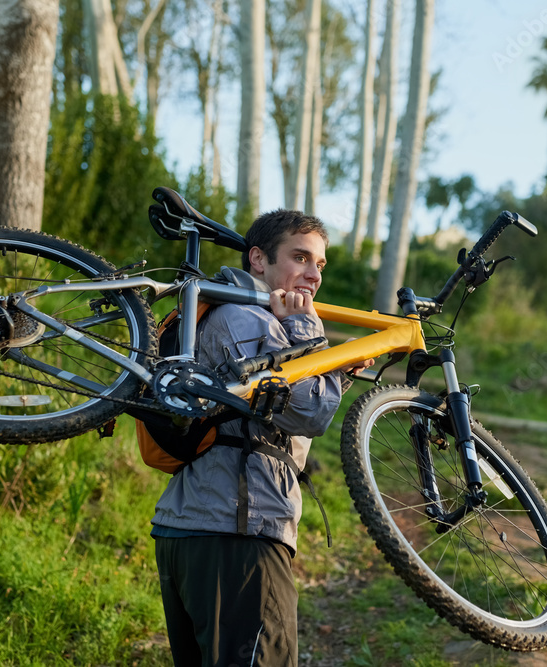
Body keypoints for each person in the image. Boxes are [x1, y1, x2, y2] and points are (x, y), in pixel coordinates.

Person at [150, 209, 373, 666]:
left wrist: (336, 376)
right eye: (300, 257)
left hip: (198, 529)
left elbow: (271, 411)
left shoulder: (245, 316)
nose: (313, 275)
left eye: (320, 265)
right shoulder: (247, 318)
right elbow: (310, 411)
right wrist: (308, 331)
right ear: (257, 258)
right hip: (236, 535)